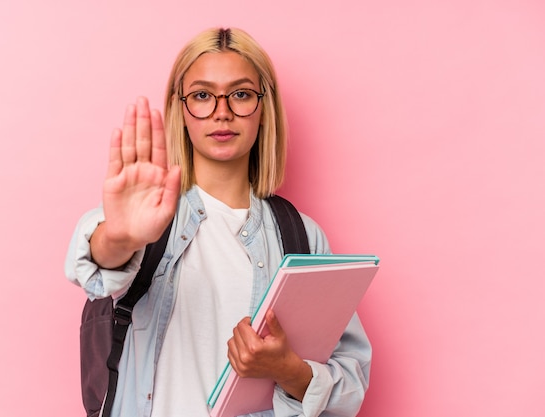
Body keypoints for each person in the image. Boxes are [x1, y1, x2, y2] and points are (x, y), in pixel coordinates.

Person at [65, 27, 371, 417]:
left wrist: (288, 370)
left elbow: (350, 383)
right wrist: (120, 238)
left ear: (264, 109)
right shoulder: (147, 215)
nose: (222, 111)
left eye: (241, 94)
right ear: (181, 111)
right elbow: (96, 266)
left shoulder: (302, 236)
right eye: (203, 96)